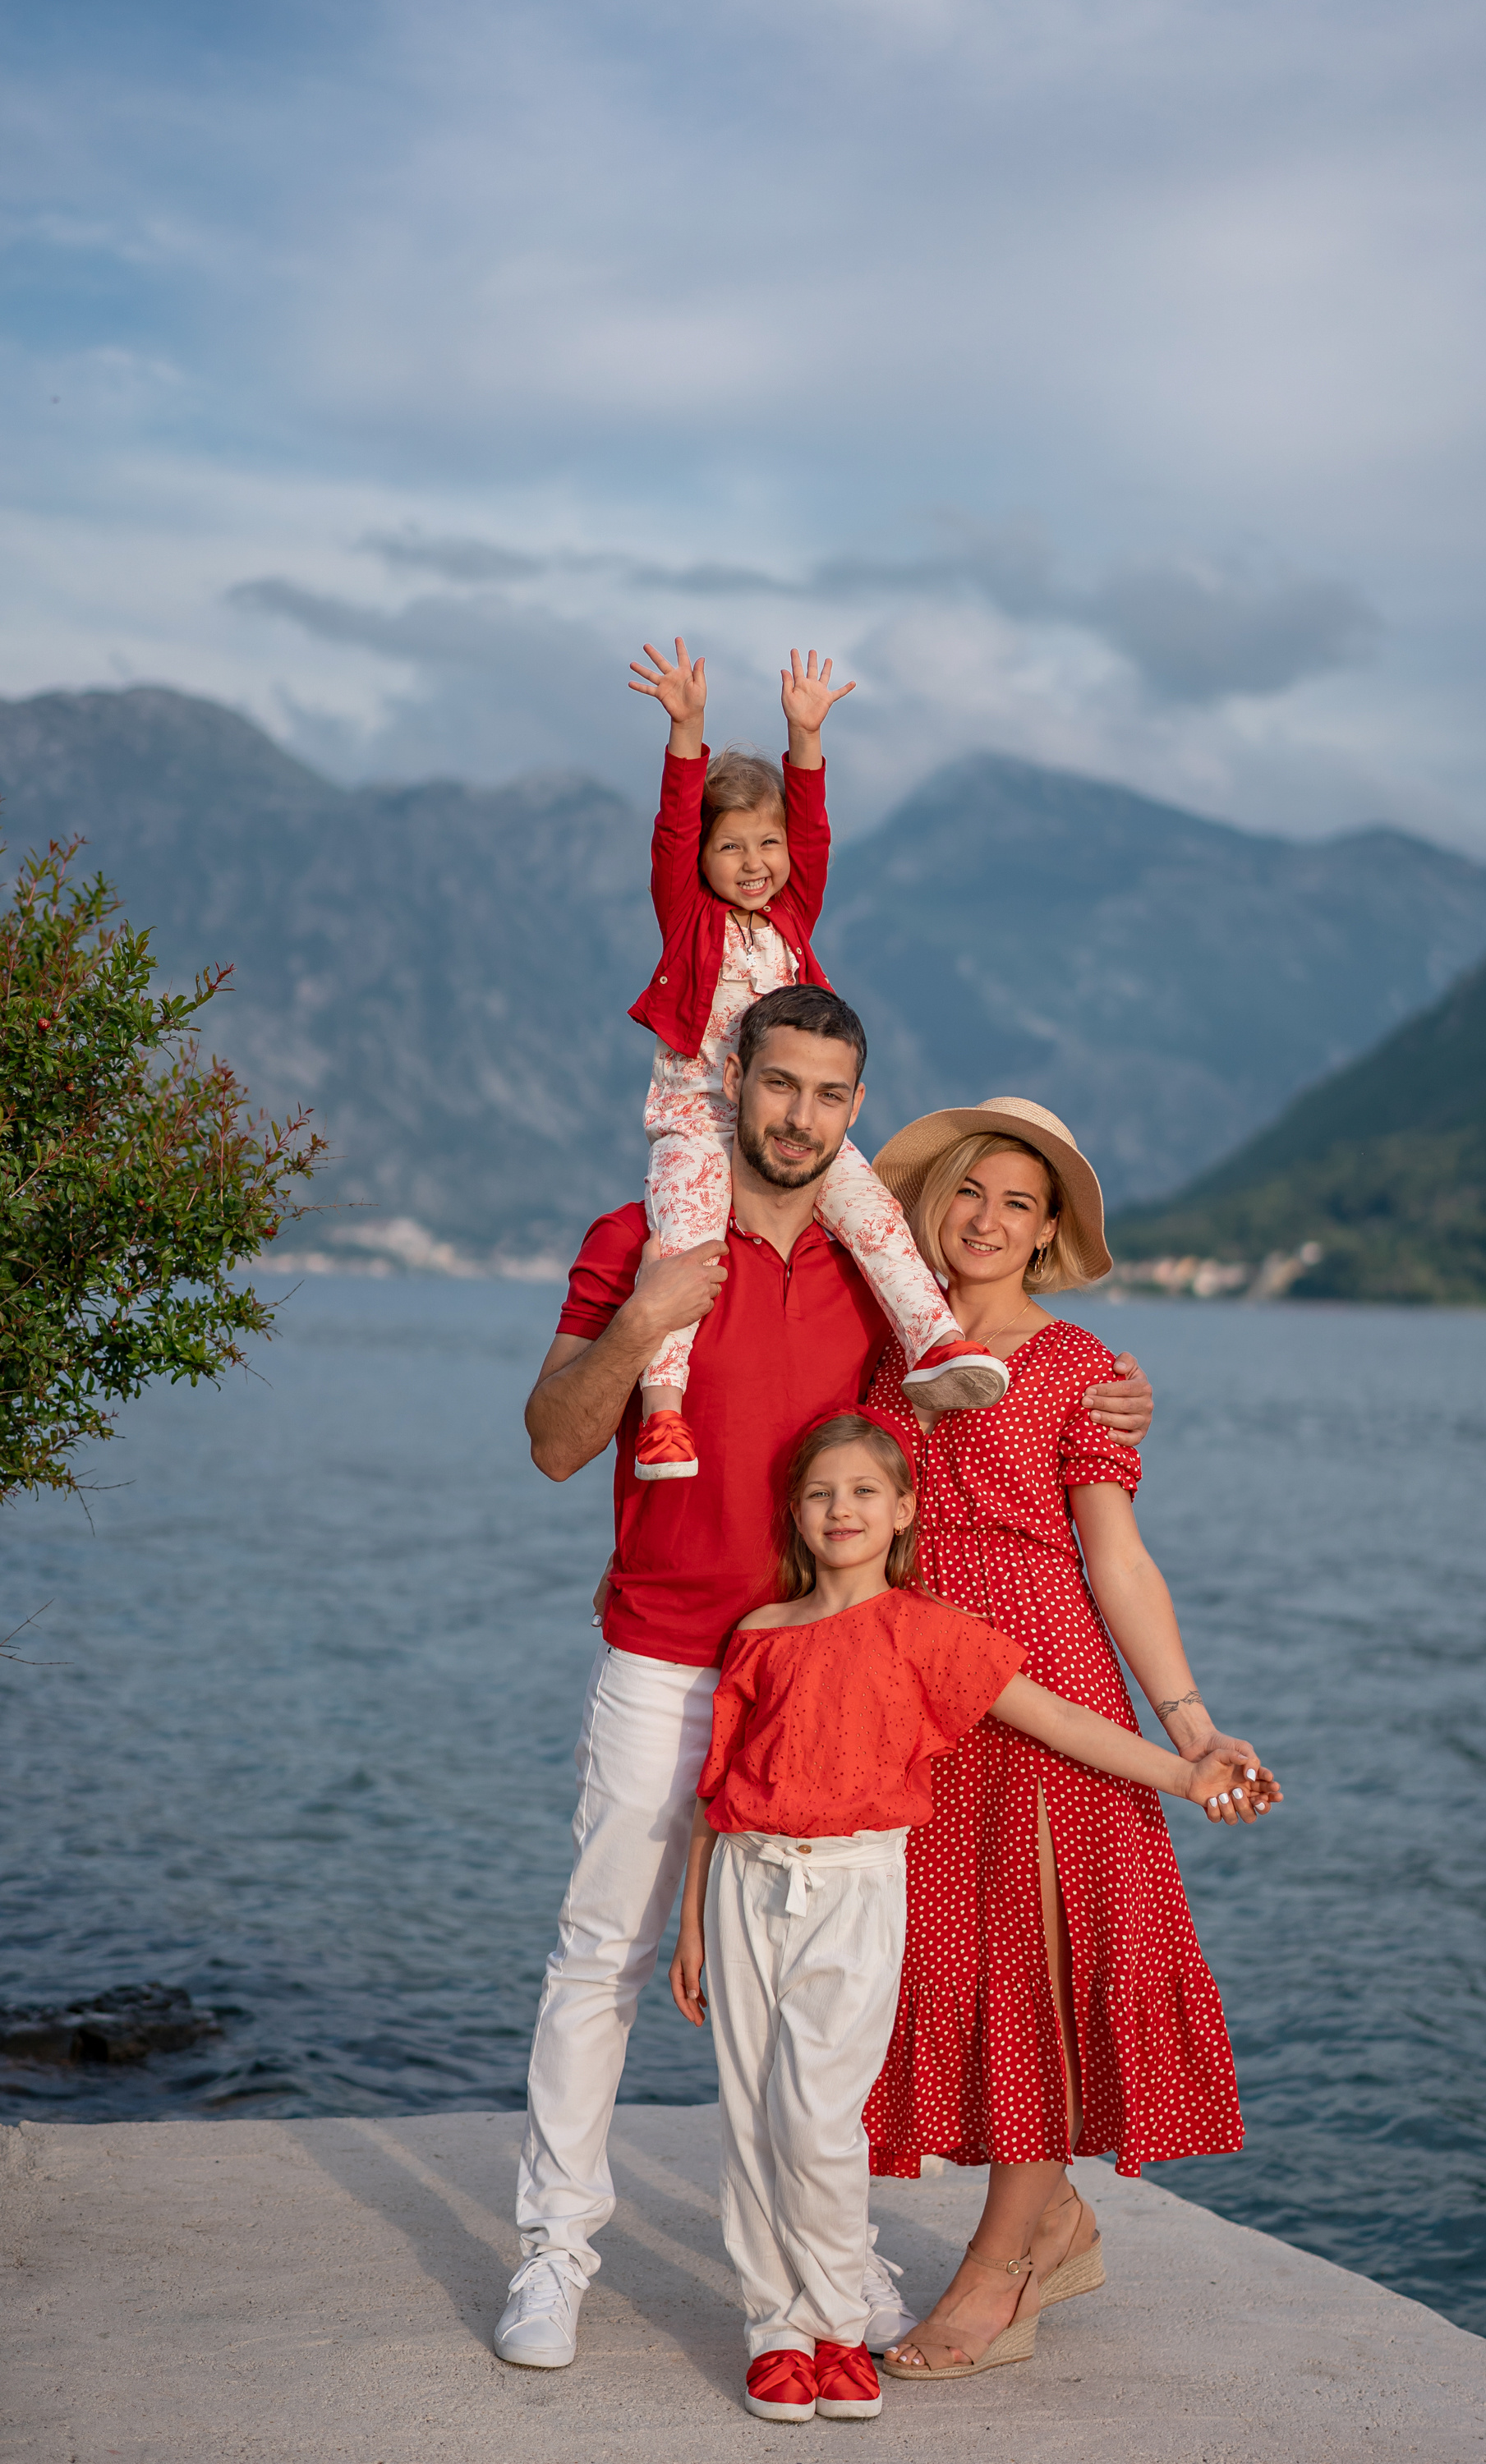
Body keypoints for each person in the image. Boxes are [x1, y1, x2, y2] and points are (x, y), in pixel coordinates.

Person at [495, 994, 1157, 2371]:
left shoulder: (877, 1270)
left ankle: (809, 2297)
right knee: (603, 1958)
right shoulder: (641, 1238)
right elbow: (557, 1443)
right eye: (779, 1085)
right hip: (667, 1656)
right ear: (732, 1079)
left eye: (830, 1094)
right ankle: (555, 2256)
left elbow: (988, 1364)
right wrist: (643, 1328)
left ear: (857, 1107)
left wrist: (1109, 1397)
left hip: (823, 1675)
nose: (800, 1117)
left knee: (824, 2005)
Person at [668, 1409, 1277, 2421]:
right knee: (750, 2118)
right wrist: (690, 1926)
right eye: (820, 1494)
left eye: (864, 1491)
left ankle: (830, 2324)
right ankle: (774, 2332)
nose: (841, 1510)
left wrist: (1185, 1768)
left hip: (857, 1887)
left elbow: (1062, 1718)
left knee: (820, 2120)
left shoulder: (926, 1629)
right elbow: (713, 1792)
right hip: (744, 1884)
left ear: (905, 1510)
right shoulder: (758, 1634)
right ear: (794, 1511)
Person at [840, 1097, 1272, 2383]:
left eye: (1018, 1204)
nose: (986, 1219)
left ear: (1047, 1232)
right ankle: (1055, 2217)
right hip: (919, 1686)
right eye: (970, 1192)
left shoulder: (1081, 1366)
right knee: (946, 1960)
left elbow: (1116, 1556)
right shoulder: (889, 1352)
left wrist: (1192, 1722)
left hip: (1047, 1686)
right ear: (936, 1206)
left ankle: (1005, 2264)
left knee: (1035, 1967)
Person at [624, 637, 1005, 1484]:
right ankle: (663, 1416)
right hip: (700, 1112)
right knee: (682, 1245)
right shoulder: (687, 916)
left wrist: (806, 741)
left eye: (766, 845)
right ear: (701, 862)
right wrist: (686, 726)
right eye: (730, 849)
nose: (753, 865)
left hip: (790, 1116)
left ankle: (933, 1340)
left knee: (872, 1212)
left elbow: (815, 828)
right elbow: (674, 824)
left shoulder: (794, 912)